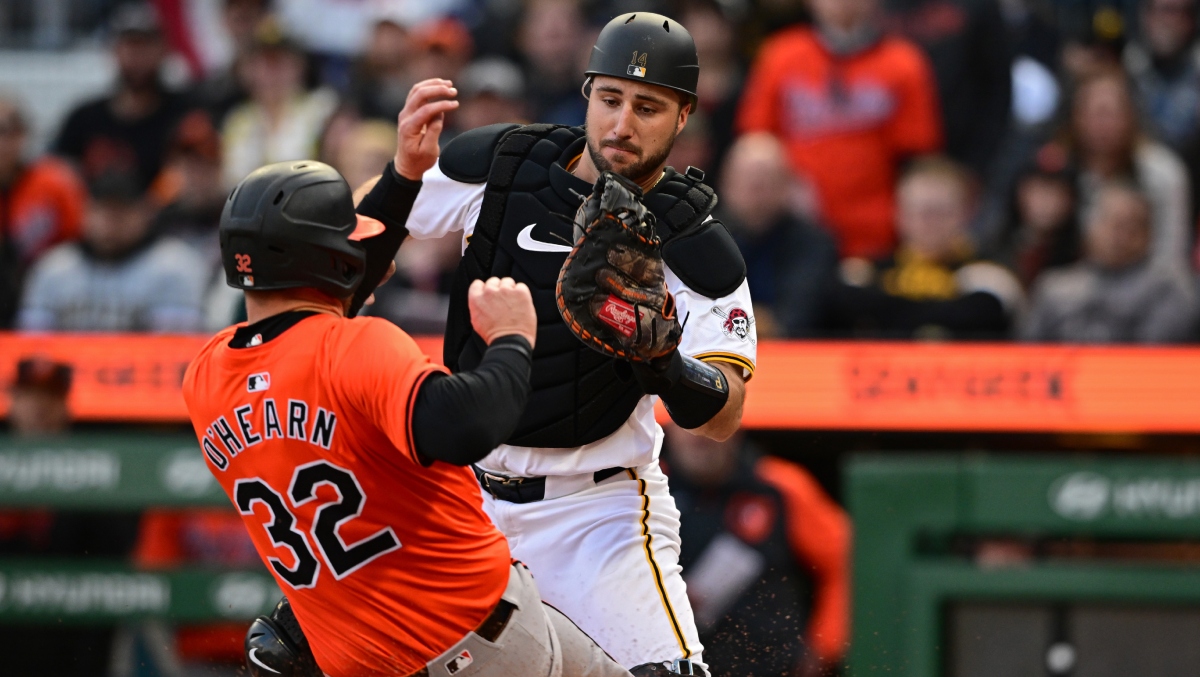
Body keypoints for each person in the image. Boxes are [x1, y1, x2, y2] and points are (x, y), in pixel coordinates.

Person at [186, 80, 635, 677]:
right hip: (478, 642)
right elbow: (468, 424)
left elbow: (317, 296)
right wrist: (510, 338)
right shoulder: (354, 347)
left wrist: (404, 175)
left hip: (381, 652)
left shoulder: (205, 375)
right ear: (326, 262)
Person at [351, 14, 754, 675]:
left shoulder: (696, 241)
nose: (622, 125)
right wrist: (401, 171)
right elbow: (361, 234)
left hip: (597, 511)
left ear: (683, 116)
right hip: (464, 497)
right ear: (587, 91)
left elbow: (725, 414)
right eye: (610, 99)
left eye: (647, 107)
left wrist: (663, 363)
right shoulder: (505, 164)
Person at [737, 0, 943, 259]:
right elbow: (756, 142)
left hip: (877, 228)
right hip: (794, 226)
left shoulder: (904, 62)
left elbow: (917, 155)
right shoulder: (781, 55)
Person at [663, 424, 850, 677]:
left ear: (735, 427)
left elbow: (847, 560)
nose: (698, 432)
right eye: (687, 423)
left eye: (712, 421)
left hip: (773, 667)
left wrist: (823, 647)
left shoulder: (780, 486)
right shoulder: (640, 490)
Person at [827, 156, 1024, 339]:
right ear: (899, 213)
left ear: (966, 213)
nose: (928, 223)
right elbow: (840, 303)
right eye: (917, 210)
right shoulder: (867, 269)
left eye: (939, 212)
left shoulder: (990, 273)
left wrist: (882, 310)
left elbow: (979, 315)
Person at [17, 171, 209, 332]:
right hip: (67, 375)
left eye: (121, 211)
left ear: (144, 213)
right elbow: (34, 345)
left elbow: (175, 349)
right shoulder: (54, 267)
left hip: (144, 374)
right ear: (86, 213)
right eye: (102, 211)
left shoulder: (174, 265)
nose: (110, 222)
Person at [1021, 181, 1198, 343]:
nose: (1119, 236)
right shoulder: (1054, 287)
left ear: (1149, 234)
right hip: (1066, 374)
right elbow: (1028, 354)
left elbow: (1156, 355)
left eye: (1130, 226)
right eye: (1109, 222)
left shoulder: (1168, 288)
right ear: (1089, 227)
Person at [52, 3, 197, 193]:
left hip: (169, 219)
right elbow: (56, 176)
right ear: (114, 51)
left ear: (163, 50)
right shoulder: (83, 119)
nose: (136, 57)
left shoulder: (184, 114)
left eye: (145, 45)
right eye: (129, 45)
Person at [1061, 69, 1191, 275]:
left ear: (1131, 116)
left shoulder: (1162, 173)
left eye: (1110, 114)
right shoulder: (1057, 170)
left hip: (1148, 288)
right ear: (1076, 117)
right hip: (1074, 290)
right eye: (1094, 113)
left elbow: (1171, 258)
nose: (1102, 125)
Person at [719, 133, 838, 338]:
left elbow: (797, 317)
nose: (756, 194)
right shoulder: (703, 239)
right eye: (748, 183)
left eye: (766, 182)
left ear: (787, 186)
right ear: (726, 185)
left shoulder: (814, 243)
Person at [885, 0, 1013, 177]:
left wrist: (977, 163)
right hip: (887, 162)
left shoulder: (978, 7)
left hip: (962, 155)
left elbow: (997, 87)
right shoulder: (873, 8)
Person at [220, 17, 339, 188]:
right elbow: (231, 179)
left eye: (279, 63)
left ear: (299, 66)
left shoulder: (322, 108)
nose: (271, 73)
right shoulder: (239, 120)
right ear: (247, 70)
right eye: (262, 64)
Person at [0, 96, 87, 327]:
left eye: (5, 131)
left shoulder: (54, 182)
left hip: (51, 288)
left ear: (22, 136)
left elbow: (81, 243)